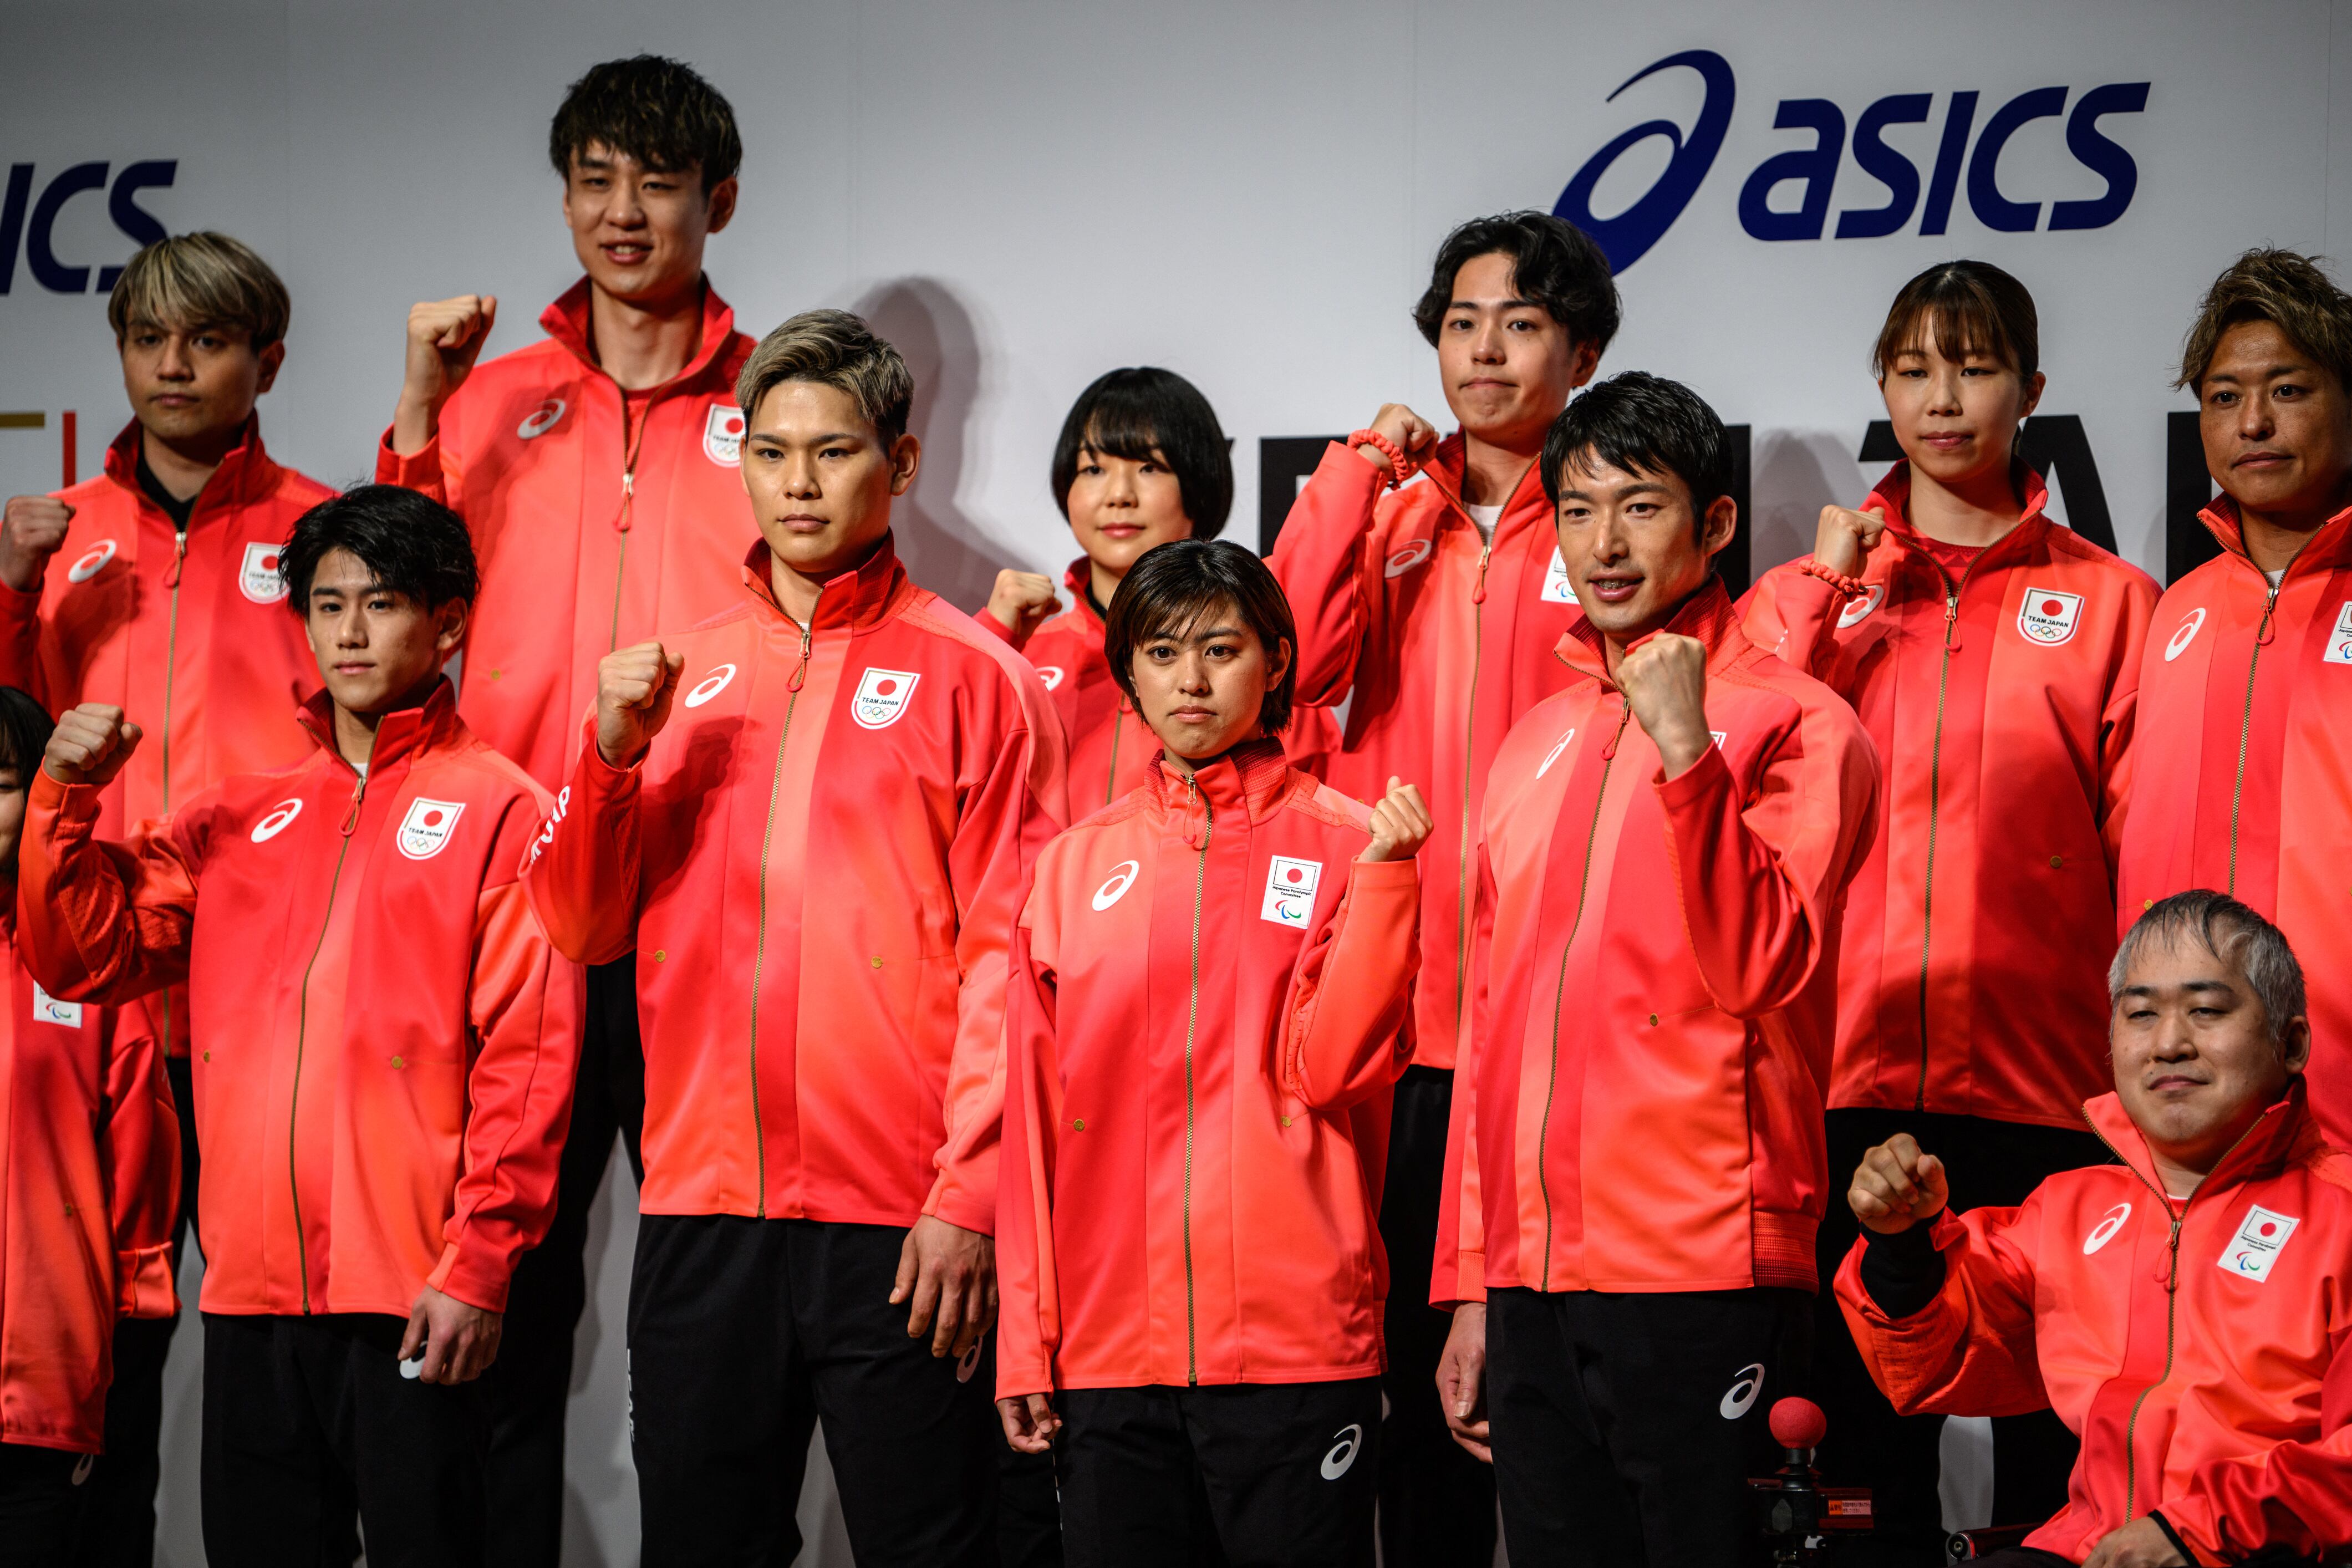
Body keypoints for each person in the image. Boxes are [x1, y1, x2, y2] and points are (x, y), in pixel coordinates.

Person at [523, 309, 1066, 1567]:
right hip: (703, 1213)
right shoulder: (673, 679)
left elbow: (1013, 957)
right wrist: (606, 759)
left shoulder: (978, 676)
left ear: (905, 463)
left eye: (832, 452)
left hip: (901, 1226)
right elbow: (579, 921)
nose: (800, 484)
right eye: (771, 453)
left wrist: (970, 1194)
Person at [17, 486, 580, 1566]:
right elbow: (81, 952)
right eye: (328, 607)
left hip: (413, 1294)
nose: (351, 633)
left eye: (380, 604)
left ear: (451, 620)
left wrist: (475, 1265)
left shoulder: (502, 806)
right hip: (251, 1295)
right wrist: (61, 799)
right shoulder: (236, 817)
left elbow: (531, 1060)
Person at [373, 55, 758, 1560]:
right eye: (593, 178)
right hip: (515, 908)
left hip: (700, 907)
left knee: (706, 1305)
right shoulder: (495, 402)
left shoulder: (773, 403)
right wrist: (419, 399)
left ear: (716, 203)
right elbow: (394, 592)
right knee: (496, 1293)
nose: (621, 211)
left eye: (656, 181)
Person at [1740, 260, 2159, 1551]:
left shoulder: (2111, 604)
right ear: (1882, 383)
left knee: (2061, 1456)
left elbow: (2149, 862)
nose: (1942, 397)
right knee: (1861, 1473)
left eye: (1972, 367)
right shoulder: (1810, 598)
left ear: (2031, 391)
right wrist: (1819, 594)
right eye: (1914, 367)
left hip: (2052, 1098)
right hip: (1848, 1079)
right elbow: (1730, 766)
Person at [1432, 373, 1878, 1567]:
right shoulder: (1533, 741)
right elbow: (1490, 1032)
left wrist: (1688, 750)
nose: (1606, 544)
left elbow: (1764, 965)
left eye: (1639, 506)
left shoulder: (1802, 724)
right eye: (1578, 512)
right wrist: (1475, 1281)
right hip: (1533, 1278)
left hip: (1705, 1259)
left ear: (1717, 525)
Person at [1266, 211, 1617, 1565]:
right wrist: (1355, 476)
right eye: (1465, 321)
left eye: (1522, 323)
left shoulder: (1602, 518)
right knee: (1414, 1419)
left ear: (1578, 352)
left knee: (1546, 1416)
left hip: (1553, 1035)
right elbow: (1287, 665)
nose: (1485, 349)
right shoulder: (1392, 512)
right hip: (1404, 1033)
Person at [994, 539, 1429, 1566]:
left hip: (1297, 1350)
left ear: (1275, 662)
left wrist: (1387, 883)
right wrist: (1028, 1332)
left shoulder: (1352, 843)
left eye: (1221, 650)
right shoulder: (1072, 867)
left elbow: (1336, 1071)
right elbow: (1031, 1127)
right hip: (1108, 1356)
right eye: (1161, 652)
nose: (1191, 681)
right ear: (1127, 670)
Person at [0, 229, 326, 1567]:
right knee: (103, 1340)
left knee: (277, 1342)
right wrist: (11, 594)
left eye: (205, 339)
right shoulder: (58, 532)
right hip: (89, 989)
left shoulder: (322, 533)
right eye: (148, 340)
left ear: (267, 360)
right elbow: (11, 740)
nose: (173, 365)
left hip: (258, 996)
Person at [1839, 891, 2352, 1566]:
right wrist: (1902, 1243)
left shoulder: (2340, 1213)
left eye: (2206, 1009)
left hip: (2270, 1548)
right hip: (2092, 1547)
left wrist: (2198, 1530)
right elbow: (1942, 1361)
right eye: (2140, 1013)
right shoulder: (2067, 1209)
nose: (2169, 1041)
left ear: (2290, 1043)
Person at [2118, 248, 2352, 1146]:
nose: (2252, 420)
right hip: (2186, 1098)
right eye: (2223, 396)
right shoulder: (2174, 610)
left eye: (2287, 390)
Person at [980, 368, 1335, 813]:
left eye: (1149, 467)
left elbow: (1313, 830)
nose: (1118, 495)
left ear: (1199, 483)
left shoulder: (1254, 663)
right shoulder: (1021, 656)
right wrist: (990, 642)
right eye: (1093, 468)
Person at [0, 688, 177, 1567]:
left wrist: (122, 1330)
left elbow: (138, 1169)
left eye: (1, 782)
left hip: (44, 1387)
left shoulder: (88, 968)